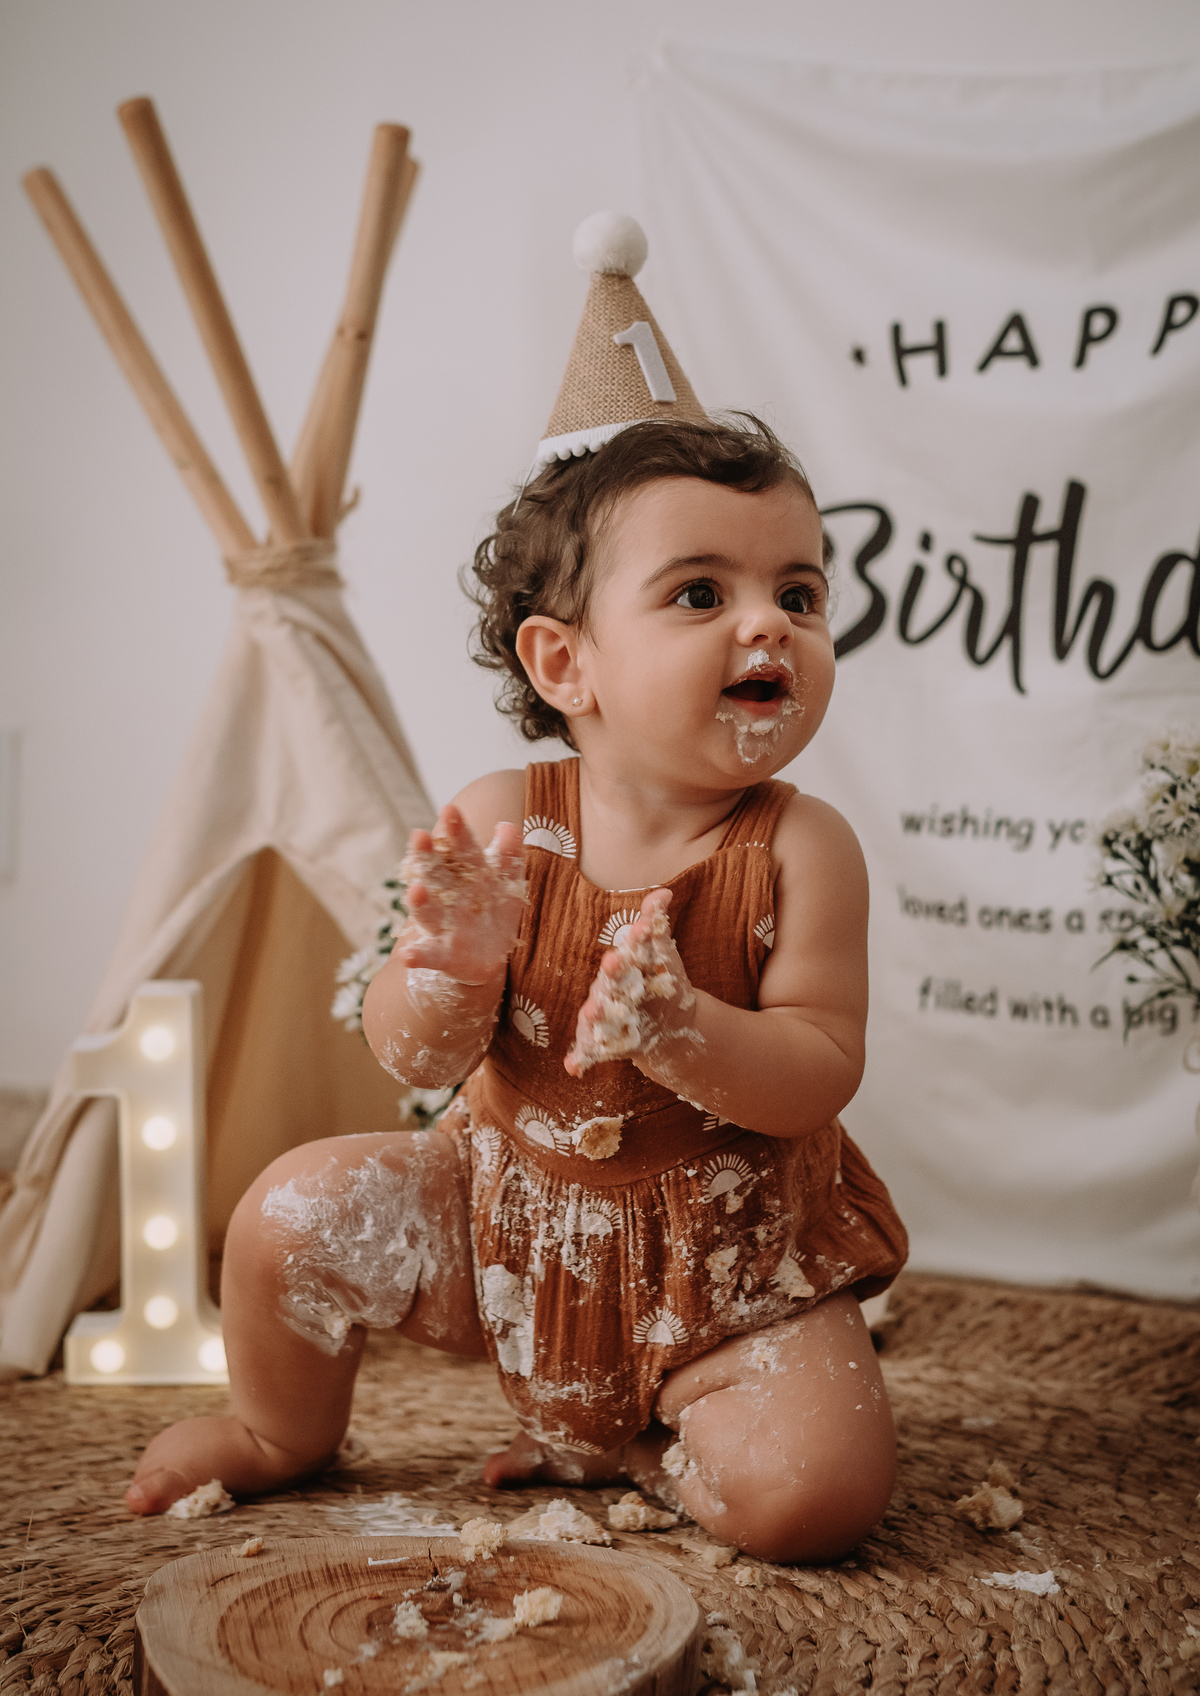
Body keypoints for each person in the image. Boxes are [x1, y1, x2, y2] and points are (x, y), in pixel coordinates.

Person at [126, 217, 906, 1564]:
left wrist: (686, 1034)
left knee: (819, 1496)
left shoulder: (802, 849)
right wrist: (451, 968)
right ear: (564, 664)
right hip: (500, 1220)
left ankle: (652, 1448)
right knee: (286, 1213)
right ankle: (277, 1428)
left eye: (800, 590)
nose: (769, 622)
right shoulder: (502, 824)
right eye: (700, 592)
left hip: (721, 1263)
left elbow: (820, 1068)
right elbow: (414, 1056)